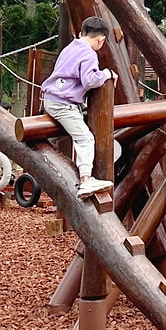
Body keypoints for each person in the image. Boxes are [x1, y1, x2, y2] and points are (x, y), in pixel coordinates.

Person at [41, 16, 118, 197]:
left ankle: (83, 175)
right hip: (63, 104)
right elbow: (89, 80)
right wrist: (107, 73)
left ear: (82, 32)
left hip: (52, 98)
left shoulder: (71, 47)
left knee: (78, 132)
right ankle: (85, 180)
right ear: (101, 39)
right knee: (85, 139)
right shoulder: (88, 54)